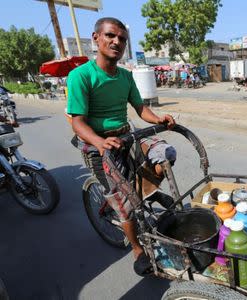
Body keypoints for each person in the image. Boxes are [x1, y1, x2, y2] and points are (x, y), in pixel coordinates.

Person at [66, 17, 176, 276]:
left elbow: (140, 109)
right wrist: (99, 141)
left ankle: (146, 191)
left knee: (165, 154)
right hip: (99, 143)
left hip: (128, 135)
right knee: (125, 204)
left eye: (122, 39)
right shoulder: (80, 76)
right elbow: (77, 122)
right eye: (110, 36)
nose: (117, 42)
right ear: (96, 38)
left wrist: (159, 118)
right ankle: (137, 248)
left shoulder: (126, 76)